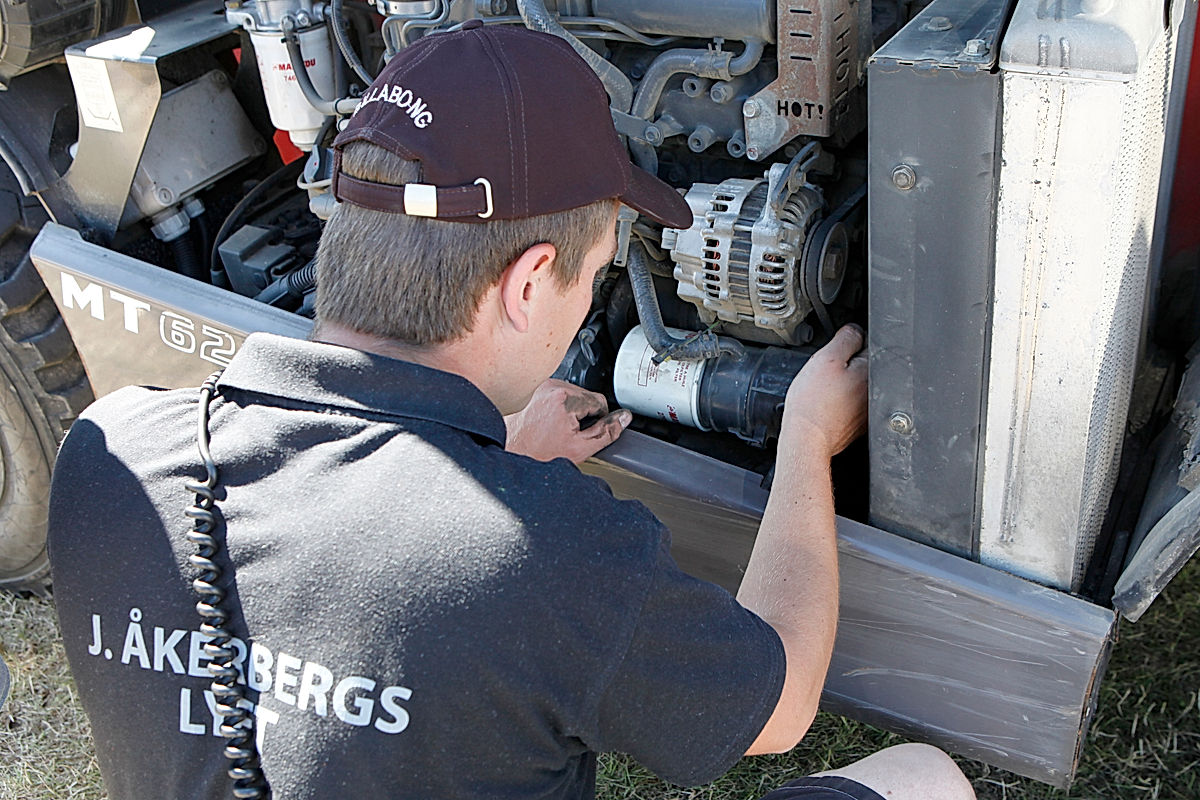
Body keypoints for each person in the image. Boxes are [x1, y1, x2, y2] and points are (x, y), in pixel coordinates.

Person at [47, 20, 975, 800]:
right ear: (530, 282)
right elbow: (783, 704)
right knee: (925, 778)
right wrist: (808, 439)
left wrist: (487, 474)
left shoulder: (108, 455)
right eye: (602, 268)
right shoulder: (550, 556)